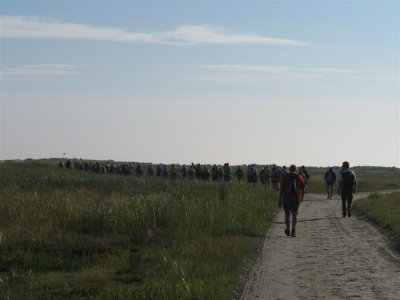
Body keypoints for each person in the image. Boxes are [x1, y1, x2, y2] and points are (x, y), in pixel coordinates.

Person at [279, 164, 306, 237]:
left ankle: (288, 230)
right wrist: (302, 198)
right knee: (294, 214)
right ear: (296, 170)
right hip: (296, 198)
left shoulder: (285, 177)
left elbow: (281, 189)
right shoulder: (299, 176)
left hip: (286, 199)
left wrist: (279, 199)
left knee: (287, 215)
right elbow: (303, 188)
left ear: (289, 169)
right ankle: (293, 230)